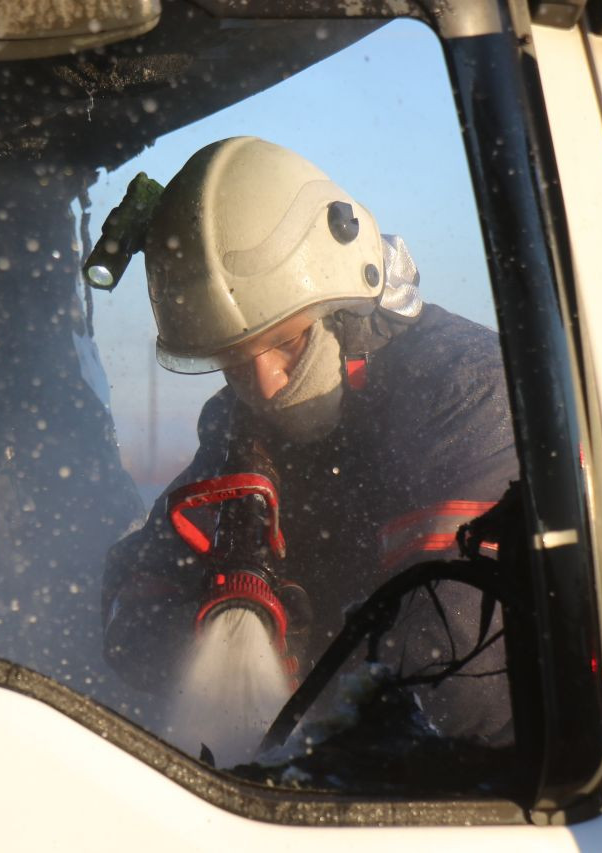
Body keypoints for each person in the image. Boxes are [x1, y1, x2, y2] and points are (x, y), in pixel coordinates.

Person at [101, 137, 518, 744]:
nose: (264, 387)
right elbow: (129, 614)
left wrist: (295, 656)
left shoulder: (468, 396)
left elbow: (453, 680)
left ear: (341, 306)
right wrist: (212, 614)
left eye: (287, 342)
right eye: (233, 360)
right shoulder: (237, 425)